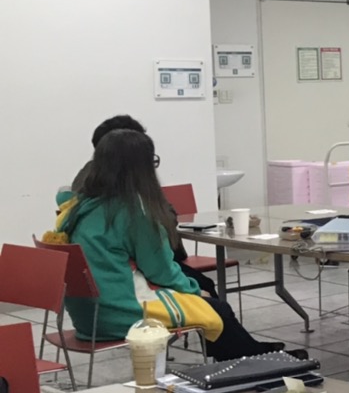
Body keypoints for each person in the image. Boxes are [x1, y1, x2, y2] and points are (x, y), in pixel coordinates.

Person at [51, 130, 283, 360]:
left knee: (210, 303)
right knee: (216, 309)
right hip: (123, 313)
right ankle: (256, 361)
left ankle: (248, 355)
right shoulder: (133, 211)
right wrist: (194, 290)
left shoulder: (80, 207)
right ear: (141, 168)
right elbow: (160, 270)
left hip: (88, 317)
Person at [65, 114, 217, 297]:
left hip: (100, 292)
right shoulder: (132, 209)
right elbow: (159, 268)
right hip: (129, 284)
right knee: (209, 295)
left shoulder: (85, 198)